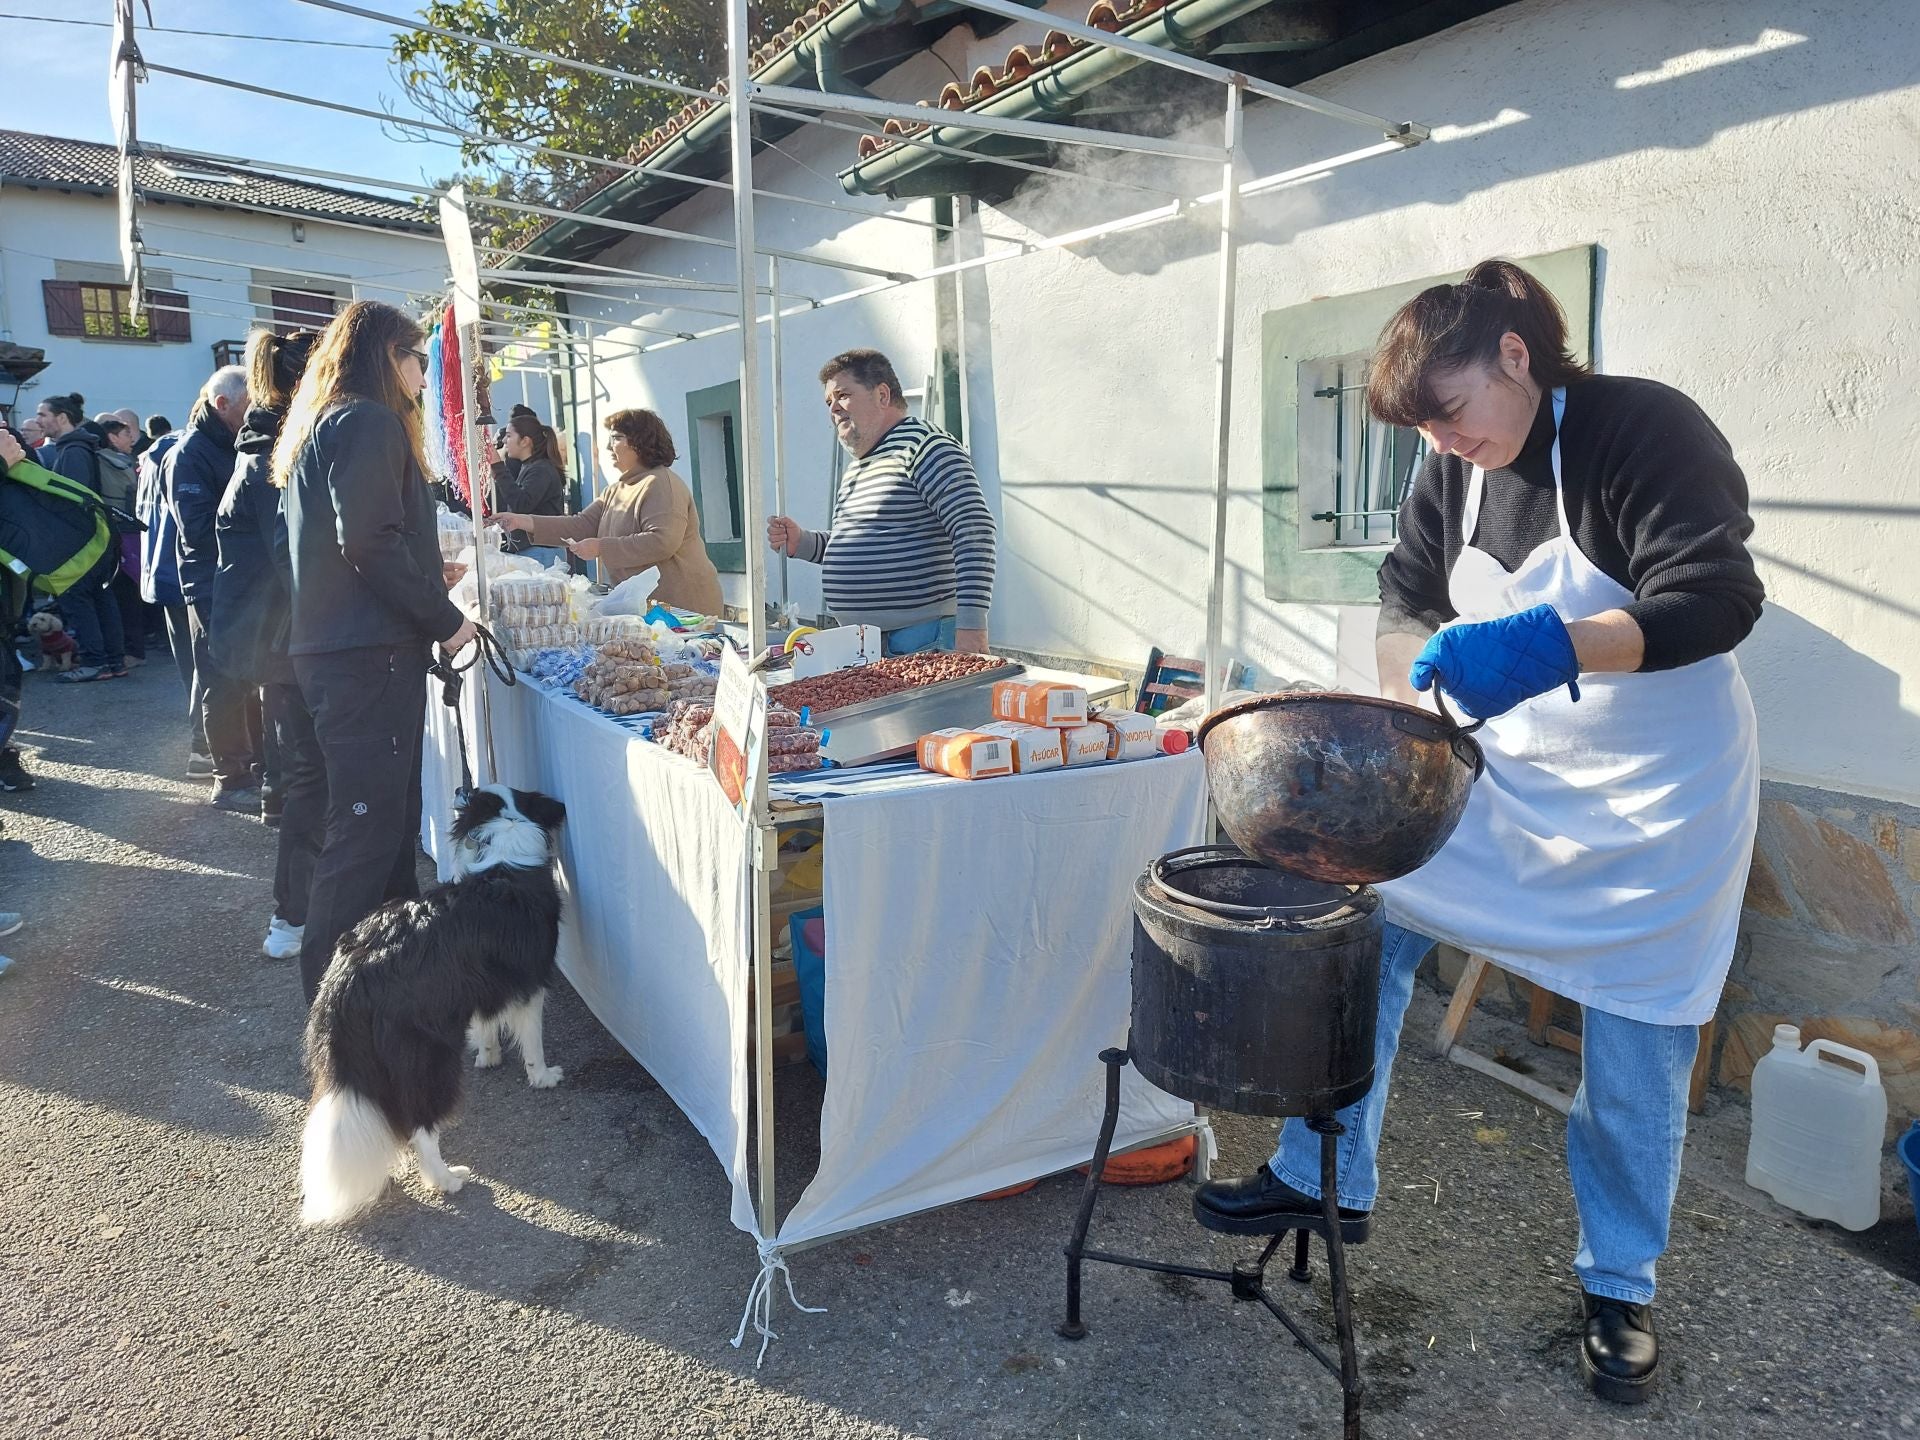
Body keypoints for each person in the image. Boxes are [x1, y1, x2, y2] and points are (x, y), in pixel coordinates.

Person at [1193, 260, 1764, 1407]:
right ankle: (1325, 1173)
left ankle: (1620, 1288)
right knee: (1371, 920)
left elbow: (1717, 597)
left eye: (1449, 414)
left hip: (1656, 799)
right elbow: (1408, 592)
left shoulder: (1642, 430)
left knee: (1635, 1044)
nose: (1443, 445)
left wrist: (1553, 646)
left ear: (1515, 356)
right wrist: (1413, 676)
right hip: (1516, 772)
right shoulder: (1451, 466)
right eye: (1423, 431)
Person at [275, 300, 474, 1004]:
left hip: (351, 651)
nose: (424, 375)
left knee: (385, 830)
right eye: (419, 360)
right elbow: (363, 539)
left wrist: (423, 574)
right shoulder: (367, 421)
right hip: (364, 657)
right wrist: (444, 617)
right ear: (391, 355)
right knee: (365, 833)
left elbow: (351, 542)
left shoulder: (330, 424)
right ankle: (332, 1015)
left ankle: (389, 991)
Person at [766, 348, 996, 655]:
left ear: (882, 395)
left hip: (924, 639)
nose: (833, 408)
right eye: (828, 401)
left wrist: (971, 628)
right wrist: (805, 543)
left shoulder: (925, 446)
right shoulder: (860, 467)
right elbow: (868, 540)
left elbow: (974, 532)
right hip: (867, 644)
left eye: (843, 395)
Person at [215, 329, 324, 960]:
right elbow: (296, 564)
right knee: (307, 779)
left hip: (278, 642)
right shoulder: (275, 461)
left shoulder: (259, 447)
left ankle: (298, 912)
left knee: (301, 777)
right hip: (290, 642)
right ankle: (293, 916)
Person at [495, 408, 722, 615]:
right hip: (648, 608)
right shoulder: (616, 489)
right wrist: (521, 521)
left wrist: (601, 547)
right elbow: (580, 525)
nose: (608, 447)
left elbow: (662, 542)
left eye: (617, 438)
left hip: (683, 610)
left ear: (641, 442)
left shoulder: (661, 484)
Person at [165, 366, 262, 810]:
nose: (256, 412)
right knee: (221, 681)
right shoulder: (189, 453)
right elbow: (197, 529)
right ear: (222, 405)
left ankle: (255, 767)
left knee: (252, 676)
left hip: (242, 579)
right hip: (209, 584)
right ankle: (230, 778)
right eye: (248, 405)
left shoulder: (237, 443)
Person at [35, 394, 126, 682]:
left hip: (82, 543)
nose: (38, 420)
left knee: (79, 598)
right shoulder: (82, 446)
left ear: (62, 417)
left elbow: (74, 499)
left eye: (43, 414)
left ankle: (95, 662)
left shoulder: (73, 451)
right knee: (101, 598)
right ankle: (114, 662)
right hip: (97, 539)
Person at [137, 419, 204, 772]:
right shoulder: (194, 453)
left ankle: (203, 745)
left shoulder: (154, 455)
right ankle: (205, 747)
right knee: (207, 667)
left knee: (191, 666)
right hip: (188, 571)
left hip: (162, 572)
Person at [92, 414, 148, 668]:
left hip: (118, 535)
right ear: (112, 437)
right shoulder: (116, 463)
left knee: (124, 595)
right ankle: (135, 650)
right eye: (126, 434)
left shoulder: (105, 461)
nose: (131, 439)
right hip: (128, 535)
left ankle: (133, 650)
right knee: (129, 594)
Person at [486, 409, 567, 556]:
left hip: (542, 552)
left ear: (525, 441)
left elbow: (521, 504)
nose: (504, 441)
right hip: (533, 550)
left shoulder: (541, 469)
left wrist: (498, 467)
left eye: (509, 436)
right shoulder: (530, 466)